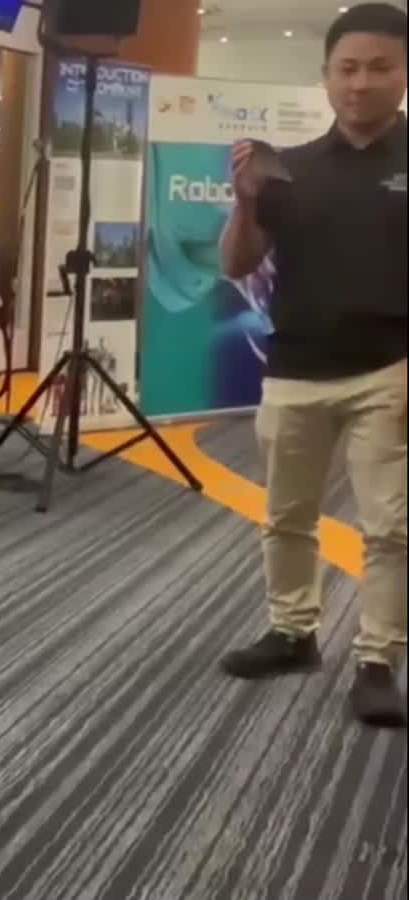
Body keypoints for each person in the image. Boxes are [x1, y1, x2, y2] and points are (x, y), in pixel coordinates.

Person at [218, 2, 408, 728]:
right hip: (295, 367)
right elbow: (238, 264)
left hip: (389, 370)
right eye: (347, 68)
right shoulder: (287, 169)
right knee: (287, 515)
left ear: (403, 73)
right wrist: (245, 205)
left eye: (379, 67)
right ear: (326, 76)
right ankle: (293, 632)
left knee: (391, 526)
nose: (361, 83)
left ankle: (377, 661)